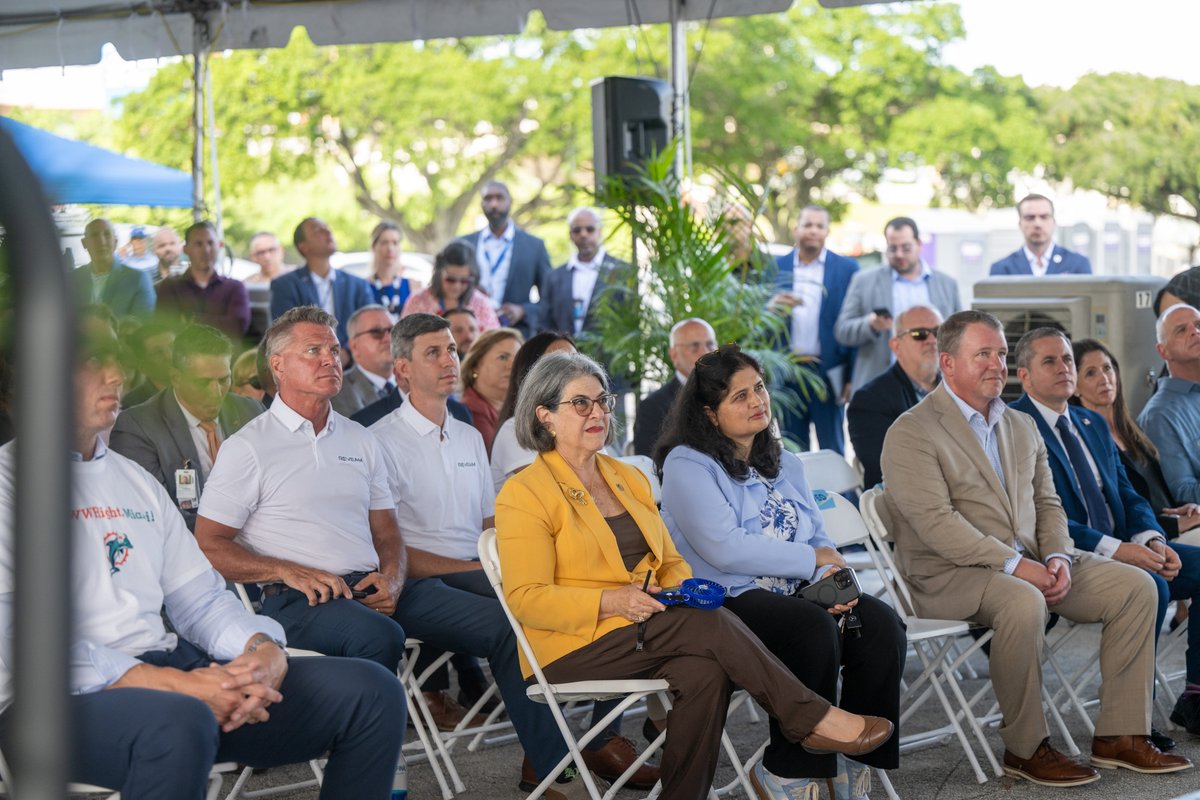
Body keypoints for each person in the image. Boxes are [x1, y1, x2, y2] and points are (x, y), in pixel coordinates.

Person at [194, 305, 587, 797]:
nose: (329, 359)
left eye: (333, 349)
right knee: (379, 635)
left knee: (509, 626)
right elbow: (208, 543)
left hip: (375, 585)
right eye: (313, 350)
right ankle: (377, 769)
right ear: (278, 366)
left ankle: (553, 772)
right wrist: (286, 570)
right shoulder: (249, 446)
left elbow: (388, 534)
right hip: (297, 598)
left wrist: (395, 578)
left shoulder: (359, 439)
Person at [0, 321, 405, 799]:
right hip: (54, 701)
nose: (115, 376)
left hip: (173, 675)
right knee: (182, 721)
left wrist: (261, 650)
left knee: (372, 692)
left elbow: (200, 599)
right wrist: (175, 684)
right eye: (90, 364)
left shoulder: (134, 482)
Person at [496, 351, 894, 800]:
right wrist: (613, 600)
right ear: (545, 416)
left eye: (603, 400)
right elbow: (526, 598)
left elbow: (671, 562)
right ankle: (812, 719)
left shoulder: (626, 477)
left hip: (646, 624)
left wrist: (675, 589)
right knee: (708, 621)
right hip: (573, 645)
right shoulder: (524, 493)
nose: (598, 413)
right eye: (581, 403)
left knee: (704, 670)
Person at [881, 310, 1189, 786]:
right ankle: (1025, 749)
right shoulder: (912, 430)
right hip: (946, 574)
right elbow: (937, 525)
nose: (996, 364)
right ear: (948, 362)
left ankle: (1120, 734)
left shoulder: (1020, 424)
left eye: (1001, 353)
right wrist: (1015, 565)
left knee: (1136, 587)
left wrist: (1058, 557)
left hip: (1030, 561)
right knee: (1022, 599)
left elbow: (1048, 504)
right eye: (983, 354)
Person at [656, 344, 904, 800]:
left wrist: (828, 579)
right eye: (740, 396)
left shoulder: (784, 460)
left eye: (759, 388)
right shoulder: (687, 463)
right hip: (725, 599)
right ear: (709, 413)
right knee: (809, 627)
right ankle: (788, 772)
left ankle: (852, 763)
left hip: (793, 592)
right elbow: (724, 548)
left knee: (879, 624)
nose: (758, 401)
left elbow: (817, 535)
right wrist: (812, 562)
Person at [1011, 327, 1200, 743]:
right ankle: (1135, 720)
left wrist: (1152, 540)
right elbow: (1038, 518)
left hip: (1126, 548)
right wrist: (1120, 551)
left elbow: (1129, 495)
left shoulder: (1090, 422)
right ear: (1024, 375)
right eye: (1050, 361)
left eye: (1066, 359)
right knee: (1150, 585)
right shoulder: (1014, 427)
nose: (1063, 368)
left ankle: (1196, 696)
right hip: (1065, 558)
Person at [110, 324, 264, 531]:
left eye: (223, 380)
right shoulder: (138, 427)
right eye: (203, 382)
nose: (216, 392)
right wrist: (225, 538)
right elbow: (154, 511)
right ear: (176, 378)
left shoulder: (251, 412)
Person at [1071, 338, 1200, 540]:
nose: (1104, 378)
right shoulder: (1083, 443)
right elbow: (1113, 517)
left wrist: (1185, 509)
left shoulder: (1132, 431)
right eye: (1090, 373)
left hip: (1173, 526)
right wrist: (1174, 525)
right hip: (1147, 538)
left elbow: (1158, 496)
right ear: (1075, 387)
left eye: (1107, 368)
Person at [766, 205, 859, 453]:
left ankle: (838, 483)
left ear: (827, 231)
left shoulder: (847, 269)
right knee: (793, 449)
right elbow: (757, 319)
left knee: (832, 446)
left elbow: (853, 322)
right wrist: (771, 308)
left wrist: (852, 375)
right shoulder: (775, 267)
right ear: (796, 229)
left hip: (828, 372)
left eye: (820, 226)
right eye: (808, 225)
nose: (813, 231)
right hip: (787, 372)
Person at [834, 217, 959, 391]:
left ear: (919, 244)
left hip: (934, 387)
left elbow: (958, 337)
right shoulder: (863, 281)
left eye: (906, 248)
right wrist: (870, 325)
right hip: (878, 386)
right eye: (893, 248)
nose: (899, 254)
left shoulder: (947, 284)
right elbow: (842, 331)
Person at [846, 306, 942, 490]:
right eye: (919, 334)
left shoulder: (961, 390)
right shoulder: (869, 401)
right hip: (909, 499)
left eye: (939, 332)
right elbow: (890, 469)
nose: (932, 340)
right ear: (896, 346)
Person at [461, 181, 552, 337]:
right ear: (481, 204)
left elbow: (550, 298)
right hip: (470, 334)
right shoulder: (464, 243)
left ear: (510, 202)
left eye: (499, 198)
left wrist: (523, 310)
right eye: (488, 199)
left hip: (515, 334)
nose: (494, 204)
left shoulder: (534, 246)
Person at [491, 331, 577, 493]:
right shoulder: (514, 429)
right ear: (531, 374)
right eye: (557, 363)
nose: (573, 370)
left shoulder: (586, 420)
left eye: (576, 360)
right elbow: (553, 493)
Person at [269, 217, 374, 348]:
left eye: (327, 227)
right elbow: (286, 334)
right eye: (317, 230)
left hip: (353, 356)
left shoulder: (358, 285)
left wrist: (346, 352)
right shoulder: (285, 286)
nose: (327, 232)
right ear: (303, 247)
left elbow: (371, 327)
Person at [1138, 304, 1200, 506]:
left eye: (1198, 325)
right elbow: (1183, 494)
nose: (1195, 332)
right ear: (1163, 351)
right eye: (1181, 330)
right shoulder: (1159, 415)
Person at [632, 318, 717, 457]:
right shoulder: (653, 406)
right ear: (674, 355)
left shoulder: (731, 392)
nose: (705, 352)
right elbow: (649, 462)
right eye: (694, 346)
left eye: (710, 344)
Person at [540, 207, 629, 338]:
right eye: (577, 230)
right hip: (564, 349)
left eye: (590, 229)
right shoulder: (554, 276)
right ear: (570, 235)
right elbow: (545, 323)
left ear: (600, 231)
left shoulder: (622, 271)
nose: (583, 234)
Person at [156, 221, 251, 339]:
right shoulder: (170, 286)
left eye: (210, 243)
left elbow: (238, 327)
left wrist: (191, 319)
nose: (206, 250)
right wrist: (220, 322)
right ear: (186, 249)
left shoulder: (235, 287)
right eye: (198, 244)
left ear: (220, 246)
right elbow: (165, 328)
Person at [402, 241, 501, 329]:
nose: (456, 286)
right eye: (450, 279)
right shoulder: (418, 301)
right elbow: (403, 339)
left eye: (464, 281)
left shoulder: (481, 304)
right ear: (438, 273)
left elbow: (494, 340)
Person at [989, 195, 1093, 276]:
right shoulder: (1002, 269)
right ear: (1020, 224)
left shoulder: (1077, 265)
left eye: (1044, 217)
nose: (1037, 224)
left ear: (1054, 222)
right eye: (1030, 217)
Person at [72, 217, 156, 317]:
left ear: (115, 242)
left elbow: (143, 323)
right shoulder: (72, 279)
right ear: (84, 243)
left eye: (107, 235)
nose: (101, 241)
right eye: (94, 235)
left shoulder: (137, 279)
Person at [460, 327, 523, 453]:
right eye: (503, 357)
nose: (512, 365)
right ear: (475, 365)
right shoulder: (470, 412)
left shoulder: (520, 407)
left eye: (518, 359)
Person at [331, 305, 396, 418]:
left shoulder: (416, 380)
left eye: (393, 330)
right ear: (354, 346)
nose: (388, 338)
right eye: (376, 332)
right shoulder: (337, 392)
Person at [367, 220, 423, 319]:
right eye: (384, 242)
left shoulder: (414, 286)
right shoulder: (364, 287)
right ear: (374, 246)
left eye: (395, 243)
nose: (390, 248)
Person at [120, 319, 177, 408]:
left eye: (173, 346)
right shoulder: (133, 405)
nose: (169, 356)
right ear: (143, 367)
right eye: (158, 352)